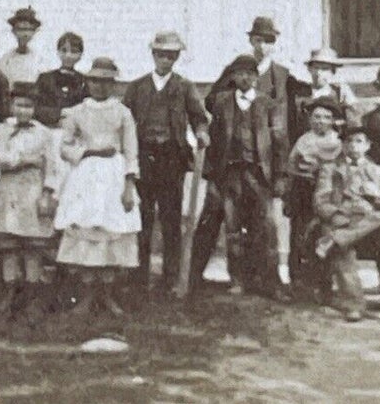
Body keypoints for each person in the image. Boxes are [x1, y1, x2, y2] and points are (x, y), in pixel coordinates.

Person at [189, 54, 287, 298]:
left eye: (249, 74)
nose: (245, 78)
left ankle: (271, 282)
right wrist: (212, 176)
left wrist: (280, 177)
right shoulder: (223, 102)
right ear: (232, 77)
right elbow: (214, 139)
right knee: (232, 228)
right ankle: (237, 279)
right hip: (230, 174)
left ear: (256, 77)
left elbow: (279, 144)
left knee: (265, 227)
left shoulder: (268, 104)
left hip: (258, 174)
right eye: (240, 73)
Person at [122, 29, 210, 292]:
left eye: (171, 56)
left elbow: (199, 117)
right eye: (161, 55)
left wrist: (202, 132)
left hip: (172, 158)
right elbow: (125, 121)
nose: (166, 61)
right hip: (144, 158)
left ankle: (171, 276)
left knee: (171, 220)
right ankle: (138, 276)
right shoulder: (137, 87)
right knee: (143, 218)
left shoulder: (184, 87)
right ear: (153, 55)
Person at [54, 58, 140, 316]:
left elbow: (131, 151)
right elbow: (65, 147)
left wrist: (128, 186)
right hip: (87, 176)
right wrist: (89, 150)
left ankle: (107, 295)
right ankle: (87, 296)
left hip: (113, 175)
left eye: (105, 82)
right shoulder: (77, 112)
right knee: (87, 232)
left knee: (111, 232)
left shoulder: (122, 112)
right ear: (87, 82)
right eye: (94, 81)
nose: (99, 86)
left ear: (113, 84)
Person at [0, 82, 59, 313]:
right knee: (9, 246)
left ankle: (32, 296)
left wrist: (47, 194)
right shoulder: (1, 130)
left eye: (29, 106)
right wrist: (27, 160)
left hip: (32, 193)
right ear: (11, 105)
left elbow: (51, 165)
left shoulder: (44, 133)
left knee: (32, 247)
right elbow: (0, 160)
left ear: (35, 108)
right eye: (19, 105)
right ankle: (9, 293)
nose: (23, 111)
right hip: (8, 193)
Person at [314, 123, 380, 321]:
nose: (353, 146)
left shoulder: (376, 170)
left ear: (368, 145)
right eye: (349, 141)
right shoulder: (330, 169)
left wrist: (377, 195)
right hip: (342, 219)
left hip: (369, 223)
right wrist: (336, 216)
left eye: (359, 141)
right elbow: (320, 200)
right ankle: (354, 304)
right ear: (343, 145)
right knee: (343, 249)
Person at [285, 96, 345, 299]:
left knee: (323, 234)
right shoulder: (304, 140)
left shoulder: (337, 141)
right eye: (316, 117)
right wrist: (289, 195)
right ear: (310, 119)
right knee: (300, 236)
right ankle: (298, 284)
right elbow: (292, 167)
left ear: (333, 120)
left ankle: (324, 285)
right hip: (302, 190)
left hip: (327, 191)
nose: (321, 121)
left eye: (326, 117)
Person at [35, 32, 88, 127]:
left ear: (80, 55)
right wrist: (59, 113)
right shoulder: (45, 78)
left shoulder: (84, 81)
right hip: (48, 127)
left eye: (74, 51)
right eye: (64, 50)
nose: (68, 55)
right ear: (58, 52)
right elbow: (37, 107)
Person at [299, 47, 358, 121]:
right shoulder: (302, 91)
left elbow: (355, 112)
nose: (319, 73)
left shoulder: (339, 89)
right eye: (316, 68)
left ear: (333, 71)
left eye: (325, 69)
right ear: (309, 69)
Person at [0, 7, 44, 88]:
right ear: (14, 31)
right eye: (20, 29)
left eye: (29, 29)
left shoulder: (41, 61)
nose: (24, 34)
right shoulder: (4, 60)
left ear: (35, 31)